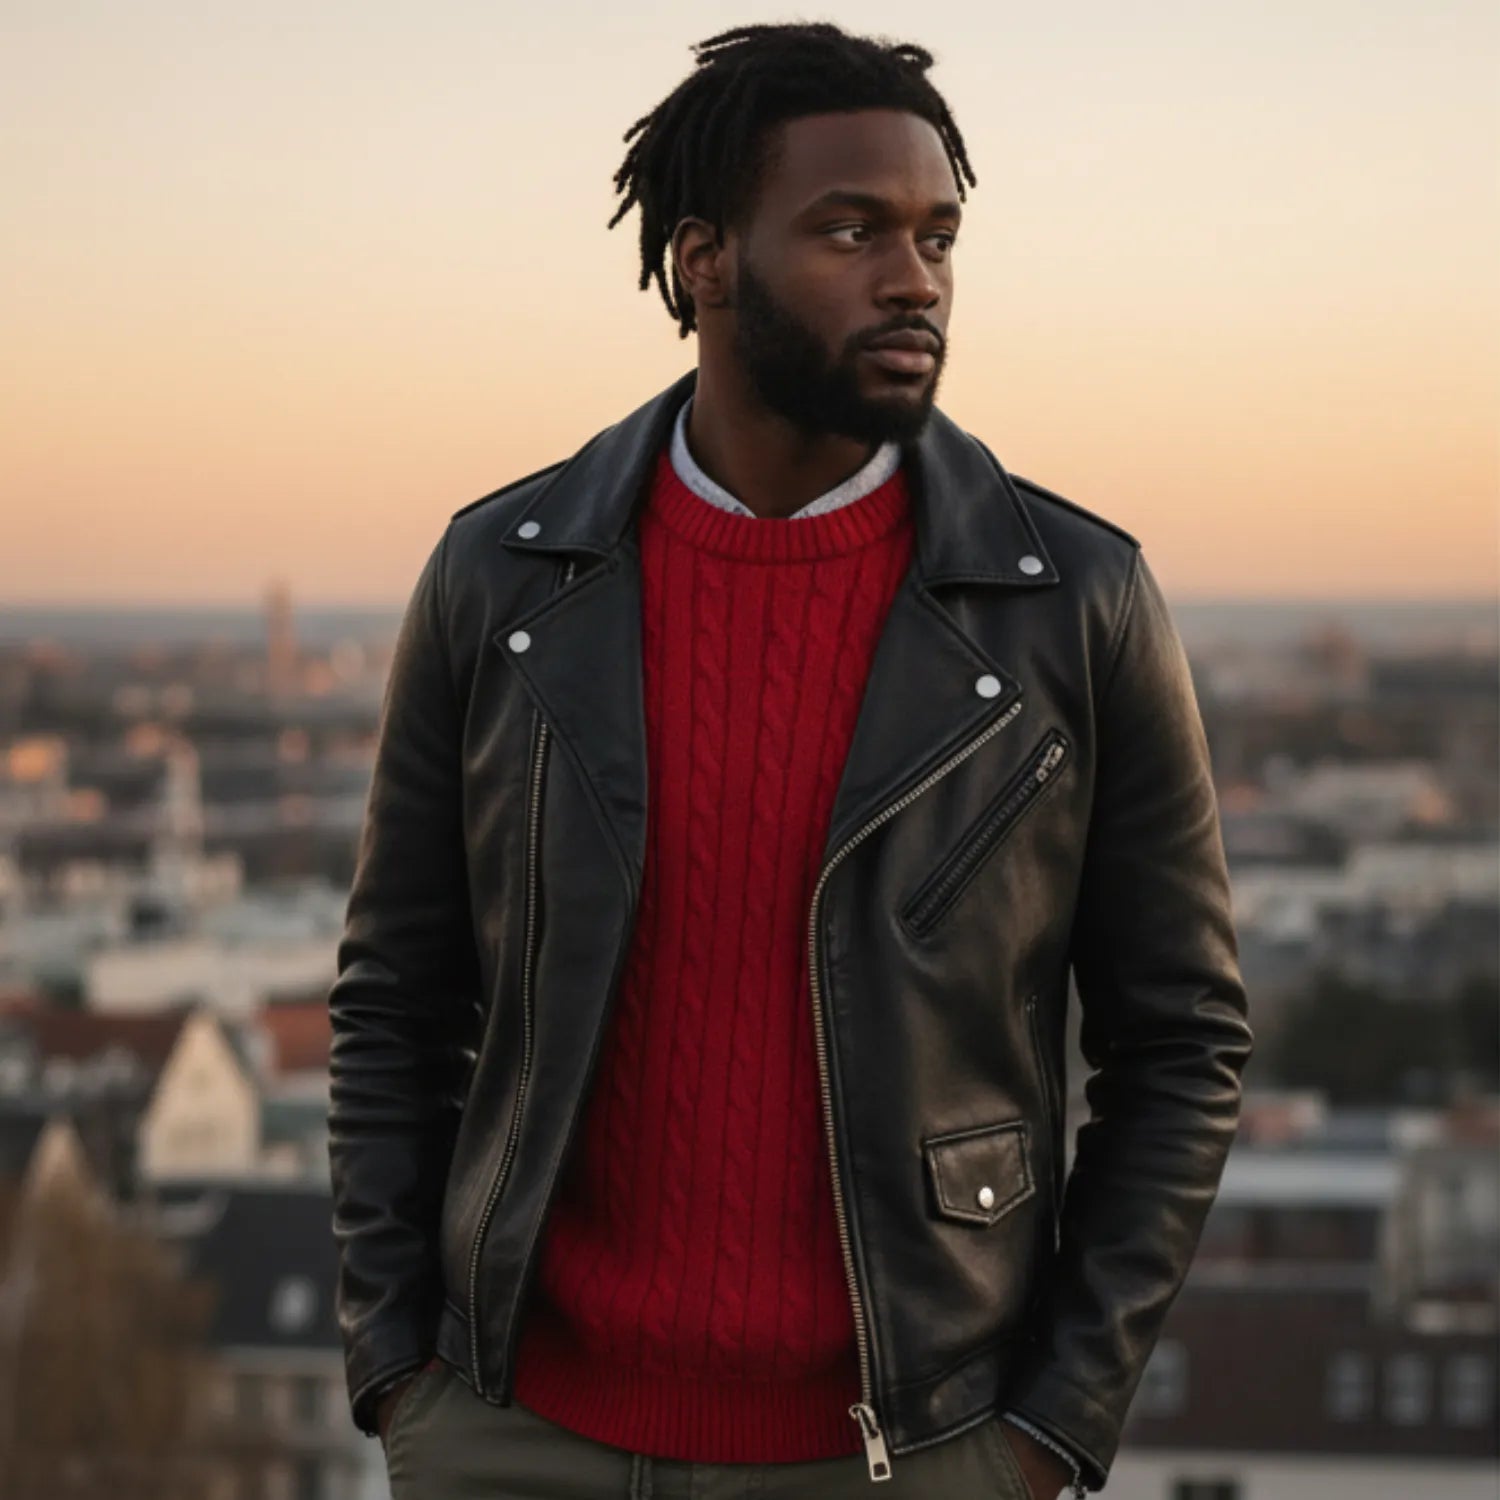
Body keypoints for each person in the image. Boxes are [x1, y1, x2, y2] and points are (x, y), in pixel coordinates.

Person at [327, 21, 1254, 1500]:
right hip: (516, 1436)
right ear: (703, 260)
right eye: (850, 230)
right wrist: (400, 1371)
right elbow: (394, 999)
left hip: (914, 1452)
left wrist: (1049, 1430)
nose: (916, 277)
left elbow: (1183, 1042)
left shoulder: (1075, 606)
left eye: (939, 234)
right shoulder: (501, 582)